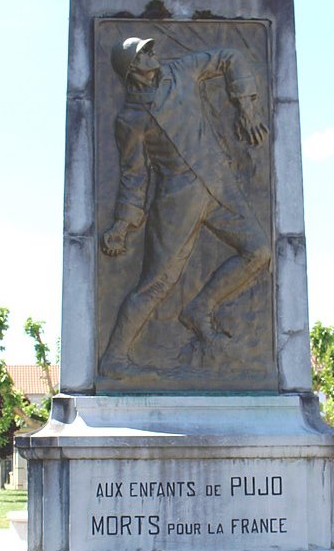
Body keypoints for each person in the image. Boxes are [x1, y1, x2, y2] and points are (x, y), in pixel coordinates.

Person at [100, 35, 271, 378]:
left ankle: (201, 308)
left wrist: (246, 106)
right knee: (157, 283)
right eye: (145, 53)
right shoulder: (131, 118)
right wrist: (123, 223)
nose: (153, 53)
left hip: (219, 182)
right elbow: (134, 175)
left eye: (150, 48)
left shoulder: (181, 71)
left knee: (260, 251)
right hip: (178, 198)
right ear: (133, 70)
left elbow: (228, 54)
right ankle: (114, 358)